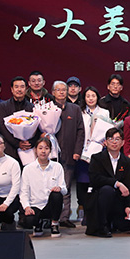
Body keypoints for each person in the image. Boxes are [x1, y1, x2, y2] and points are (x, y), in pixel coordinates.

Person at [85, 128, 130, 237]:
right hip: (100, 198)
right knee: (107, 190)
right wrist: (117, 183)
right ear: (105, 142)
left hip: (118, 201)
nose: (114, 142)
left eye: (117, 139)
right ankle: (102, 226)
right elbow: (95, 179)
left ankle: (115, 222)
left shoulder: (127, 162)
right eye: (111, 139)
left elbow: (129, 185)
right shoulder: (97, 158)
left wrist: (129, 206)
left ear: (123, 143)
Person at [50, 81, 85, 228]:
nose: (61, 92)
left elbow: (81, 131)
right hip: (50, 155)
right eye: (58, 90)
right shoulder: (48, 109)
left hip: (69, 153)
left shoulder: (74, 109)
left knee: (66, 186)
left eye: (64, 89)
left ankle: (64, 217)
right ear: (53, 92)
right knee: (50, 186)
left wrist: (77, 151)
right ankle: (50, 217)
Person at [20, 137, 67, 237]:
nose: (43, 151)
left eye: (46, 148)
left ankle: (54, 224)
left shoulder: (57, 167)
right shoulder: (28, 169)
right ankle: (38, 223)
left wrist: (59, 188)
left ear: (50, 150)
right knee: (28, 221)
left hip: (50, 205)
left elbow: (64, 189)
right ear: (35, 150)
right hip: (35, 205)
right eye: (40, 148)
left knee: (56, 195)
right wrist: (27, 207)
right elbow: (24, 192)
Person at [78, 86, 111, 222]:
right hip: (83, 152)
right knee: (83, 183)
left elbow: (108, 131)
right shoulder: (80, 112)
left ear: (97, 97)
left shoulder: (104, 112)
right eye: (88, 96)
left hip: (99, 151)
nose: (91, 98)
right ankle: (85, 211)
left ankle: (95, 213)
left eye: (93, 96)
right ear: (84, 98)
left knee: (96, 181)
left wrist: (106, 141)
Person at [0, 76, 36, 163]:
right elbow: (1, 127)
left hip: (27, 149)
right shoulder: (3, 106)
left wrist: (29, 143)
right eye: (16, 87)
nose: (19, 89)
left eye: (22, 87)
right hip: (9, 148)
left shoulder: (32, 107)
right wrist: (17, 143)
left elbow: (36, 127)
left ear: (26, 89)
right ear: (12, 89)